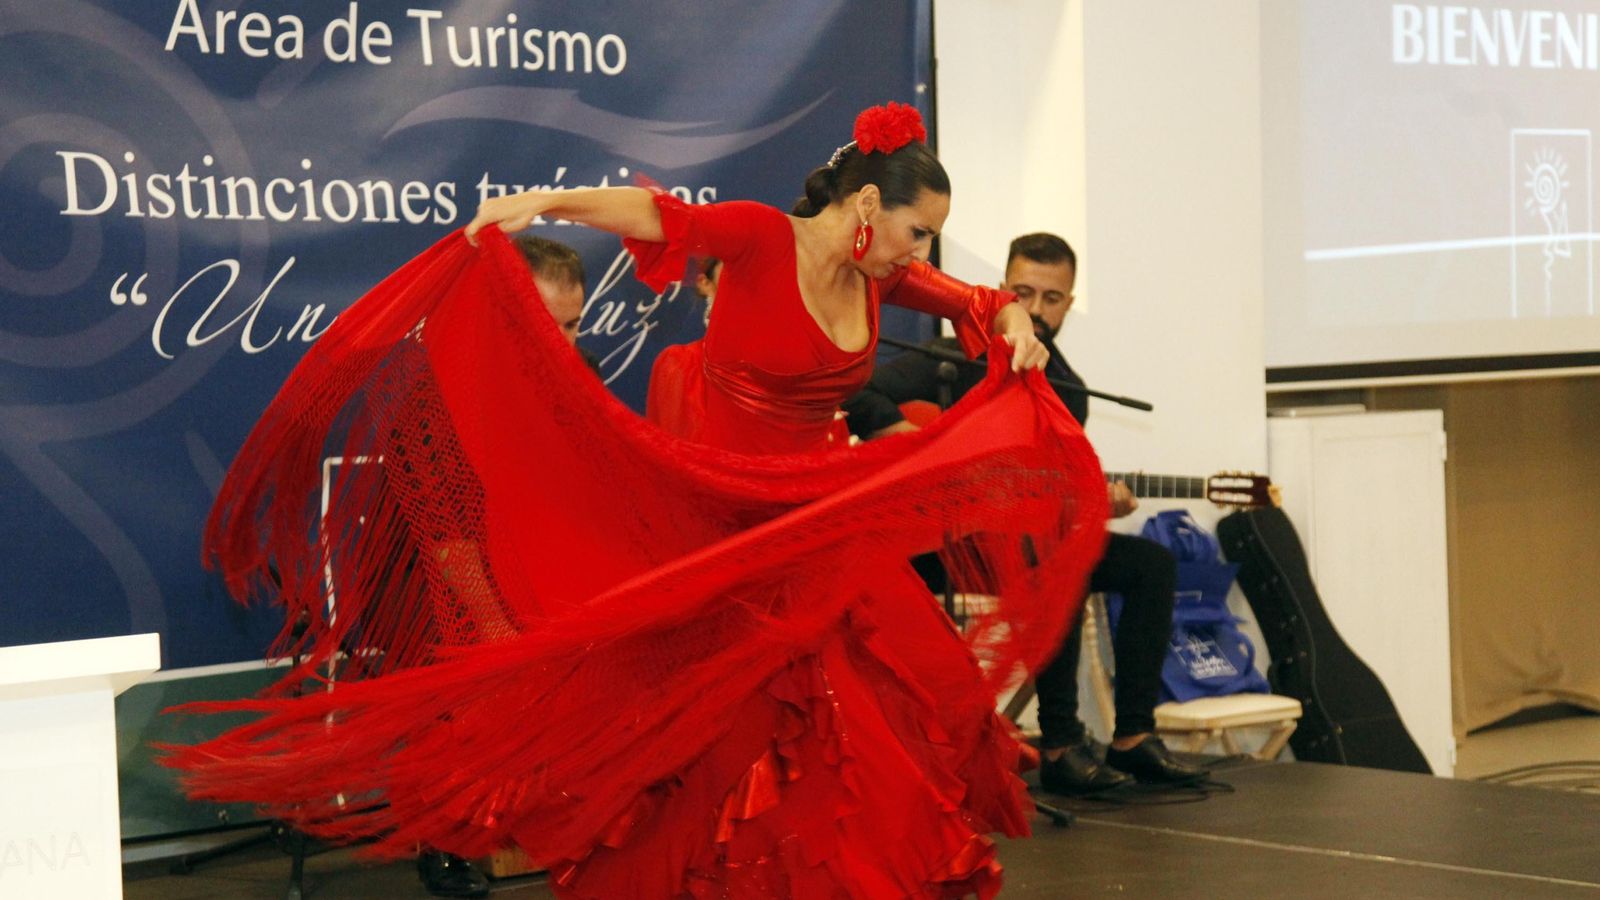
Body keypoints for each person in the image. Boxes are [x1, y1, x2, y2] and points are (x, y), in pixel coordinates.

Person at [170, 105, 1109, 899]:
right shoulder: (756, 236)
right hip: (721, 518)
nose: (921, 249)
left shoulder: (888, 276)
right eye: (916, 228)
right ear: (869, 204)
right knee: (726, 739)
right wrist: (544, 202)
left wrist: (1017, 320)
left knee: (870, 726)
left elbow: (979, 303)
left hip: (814, 525)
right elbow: (661, 216)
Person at [843, 232, 1208, 794]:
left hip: (1024, 540)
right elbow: (860, 391)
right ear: (1002, 290)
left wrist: (1092, 502)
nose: (1037, 310)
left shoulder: (1070, 391)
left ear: (1070, 301)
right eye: (1024, 292)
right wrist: (906, 437)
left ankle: (1133, 736)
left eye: (1053, 298)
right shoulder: (952, 355)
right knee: (1048, 556)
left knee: (1149, 564)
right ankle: (1059, 742)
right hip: (938, 547)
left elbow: (1046, 496)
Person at [415, 234, 587, 899]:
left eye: (575, 325)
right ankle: (452, 839)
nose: (568, 344)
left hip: (552, 580)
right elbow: (446, 540)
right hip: (458, 594)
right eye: (553, 327)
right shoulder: (437, 396)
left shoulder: (579, 377)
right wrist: (503, 638)